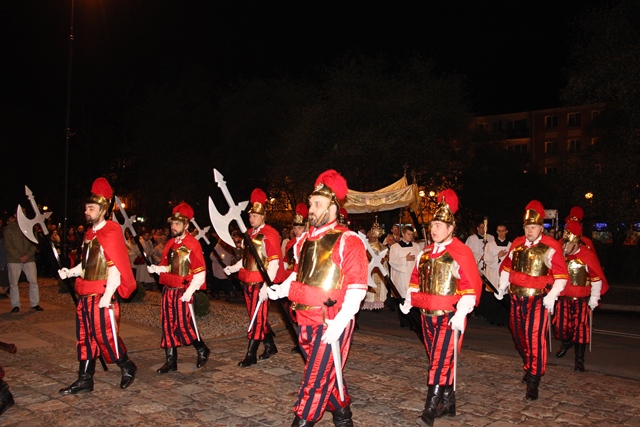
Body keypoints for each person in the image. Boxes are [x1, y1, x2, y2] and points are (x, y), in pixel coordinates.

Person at [268, 169, 368, 427]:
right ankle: (343, 416)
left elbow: (357, 288)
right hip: (303, 317)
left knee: (315, 378)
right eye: (311, 203)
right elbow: (298, 275)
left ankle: (303, 420)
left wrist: (341, 322)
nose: (311, 209)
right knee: (326, 372)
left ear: (333, 208)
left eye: (317, 204)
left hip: (331, 319)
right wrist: (280, 289)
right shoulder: (303, 242)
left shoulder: (348, 240)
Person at [399, 189, 481, 427]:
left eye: (438, 225)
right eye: (432, 225)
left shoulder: (460, 252)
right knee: (440, 358)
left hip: (449, 315)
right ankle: (449, 402)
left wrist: (462, 312)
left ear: (450, 228)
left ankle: (430, 408)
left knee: (439, 360)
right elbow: (416, 280)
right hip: (426, 315)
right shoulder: (424, 253)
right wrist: (409, 299)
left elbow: (470, 286)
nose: (433, 229)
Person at [57, 177, 138, 394]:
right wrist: (70, 272)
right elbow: (87, 265)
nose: (87, 211)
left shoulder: (111, 231)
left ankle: (127, 365)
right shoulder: (89, 234)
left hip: (101, 295)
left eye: (91, 208)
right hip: (85, 295)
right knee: (85, 338)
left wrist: (108, 295)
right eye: (86, 208)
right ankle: (85, 379)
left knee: (106, 336)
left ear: (103, 210)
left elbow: (115, 266)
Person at [494, 200, 569, 400]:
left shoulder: (551, 246)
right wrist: (502, 286)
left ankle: (534, 380)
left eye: (533, 227)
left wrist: (552, 295)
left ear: (541, 227)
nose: (529, 231)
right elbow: (507, 267)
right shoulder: (517, 244)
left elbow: (561, 276)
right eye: (527, 227)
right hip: (516, 298)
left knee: (534, 338)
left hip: (538, 299)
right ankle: (529, 364)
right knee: (519, 338)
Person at [224, 188, 285, 367]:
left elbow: (273, 263)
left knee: (257, 318)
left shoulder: (270, 234)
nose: (252, 218)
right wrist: (232, 268)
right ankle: (270, 346)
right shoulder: (248, 234)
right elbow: (246, 261)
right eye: (250, 215)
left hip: (259, 283)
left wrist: (267, 285)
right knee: (256, 315)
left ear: (263, 216)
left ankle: (250, 354)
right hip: (247, 281)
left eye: (255, 215)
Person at [147, 202, 210, 373]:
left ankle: (202, 349)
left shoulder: (193, 244)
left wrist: (189, 293)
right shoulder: (170, 244)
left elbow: (199, 273)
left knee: (184, 325)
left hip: (183, 291)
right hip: (168, 290)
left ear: (186, 225)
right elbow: (167, 267)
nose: (173, 227)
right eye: (172, 223)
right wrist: (156, 269)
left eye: (177, 224)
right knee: (167, 325)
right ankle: (171, 361)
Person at [553, 219, 608, 371]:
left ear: (576, 243)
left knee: (580, 330)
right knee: (561, 327)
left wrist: (594, 298)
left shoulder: (586, 255)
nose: (565, 247)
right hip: (563, 299)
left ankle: (579, 360)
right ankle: (566, 342)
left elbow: (596, 278)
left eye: (568, 244)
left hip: (581, 300)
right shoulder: (561, 255)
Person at [4, 213, 43, 313]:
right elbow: (8, 245)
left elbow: (34, 243)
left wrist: (27, 255)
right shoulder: (9, 229)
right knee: (14, 283)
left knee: (33, 281)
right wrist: (18, 256)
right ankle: (15, 304)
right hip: (14, 260)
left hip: (29, 259)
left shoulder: (31, 228)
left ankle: (34, 303)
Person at [476, 223, 511, 325]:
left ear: (506, 231)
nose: (501, 233)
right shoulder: (490, 245)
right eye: (499, 231)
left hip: (505, 274)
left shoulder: (511, 245)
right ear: (496, 232)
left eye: (503, 231)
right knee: (493, 297)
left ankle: (503, 320)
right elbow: (487, 260)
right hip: (493, 274)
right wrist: (498, 257)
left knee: (504, 296)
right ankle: (492, 319)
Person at [388, 225, 421, 326]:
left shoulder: (416, 246)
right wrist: (405, 259)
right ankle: (404, 322)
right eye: (408, 234)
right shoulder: (395, 247)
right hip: (402, 277)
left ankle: (415, 322)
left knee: (414, 298)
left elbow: (420, 260)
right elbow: (392, 262)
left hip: (413, 276)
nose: (411, 236)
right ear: (403, 234)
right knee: (402, 298)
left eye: (412, 234)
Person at [361, 218, 388, 311]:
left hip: (379, 270)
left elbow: (385, 258)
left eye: (376, 235)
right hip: (368, 268)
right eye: (372, 234)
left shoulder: (382, 246)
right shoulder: (365, 245)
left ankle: (377, 305)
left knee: (379, 287)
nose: (374, 237)